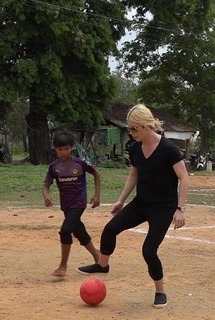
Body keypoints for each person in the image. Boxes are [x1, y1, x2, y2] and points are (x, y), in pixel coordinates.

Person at [76, 104, 189, 309]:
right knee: (110, 229)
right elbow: (134, 175)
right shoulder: (135, 148)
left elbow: (184, 177)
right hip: (141, 203)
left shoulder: (168, 149)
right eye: (129, 129)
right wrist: (121, 200)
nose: (131, 132)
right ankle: (103, 265)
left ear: (146, 126)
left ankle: (160, 291)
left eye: (134, 129)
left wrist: (180, 209)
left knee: (149, 250)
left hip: (163, 207)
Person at [43, 131, 101, 278]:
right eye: (60, 149)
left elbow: (96, 173)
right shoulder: (53, 167)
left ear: (72, 148)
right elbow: (46, 185)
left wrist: (97, 195)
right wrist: (46, 195)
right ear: (55, 149)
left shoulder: (80, 163)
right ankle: (98, 257)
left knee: (65, 231)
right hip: (66, 205)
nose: (64, 152)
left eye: (66, 149)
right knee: (78, 230)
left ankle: (63, 265)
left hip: (79, 203)